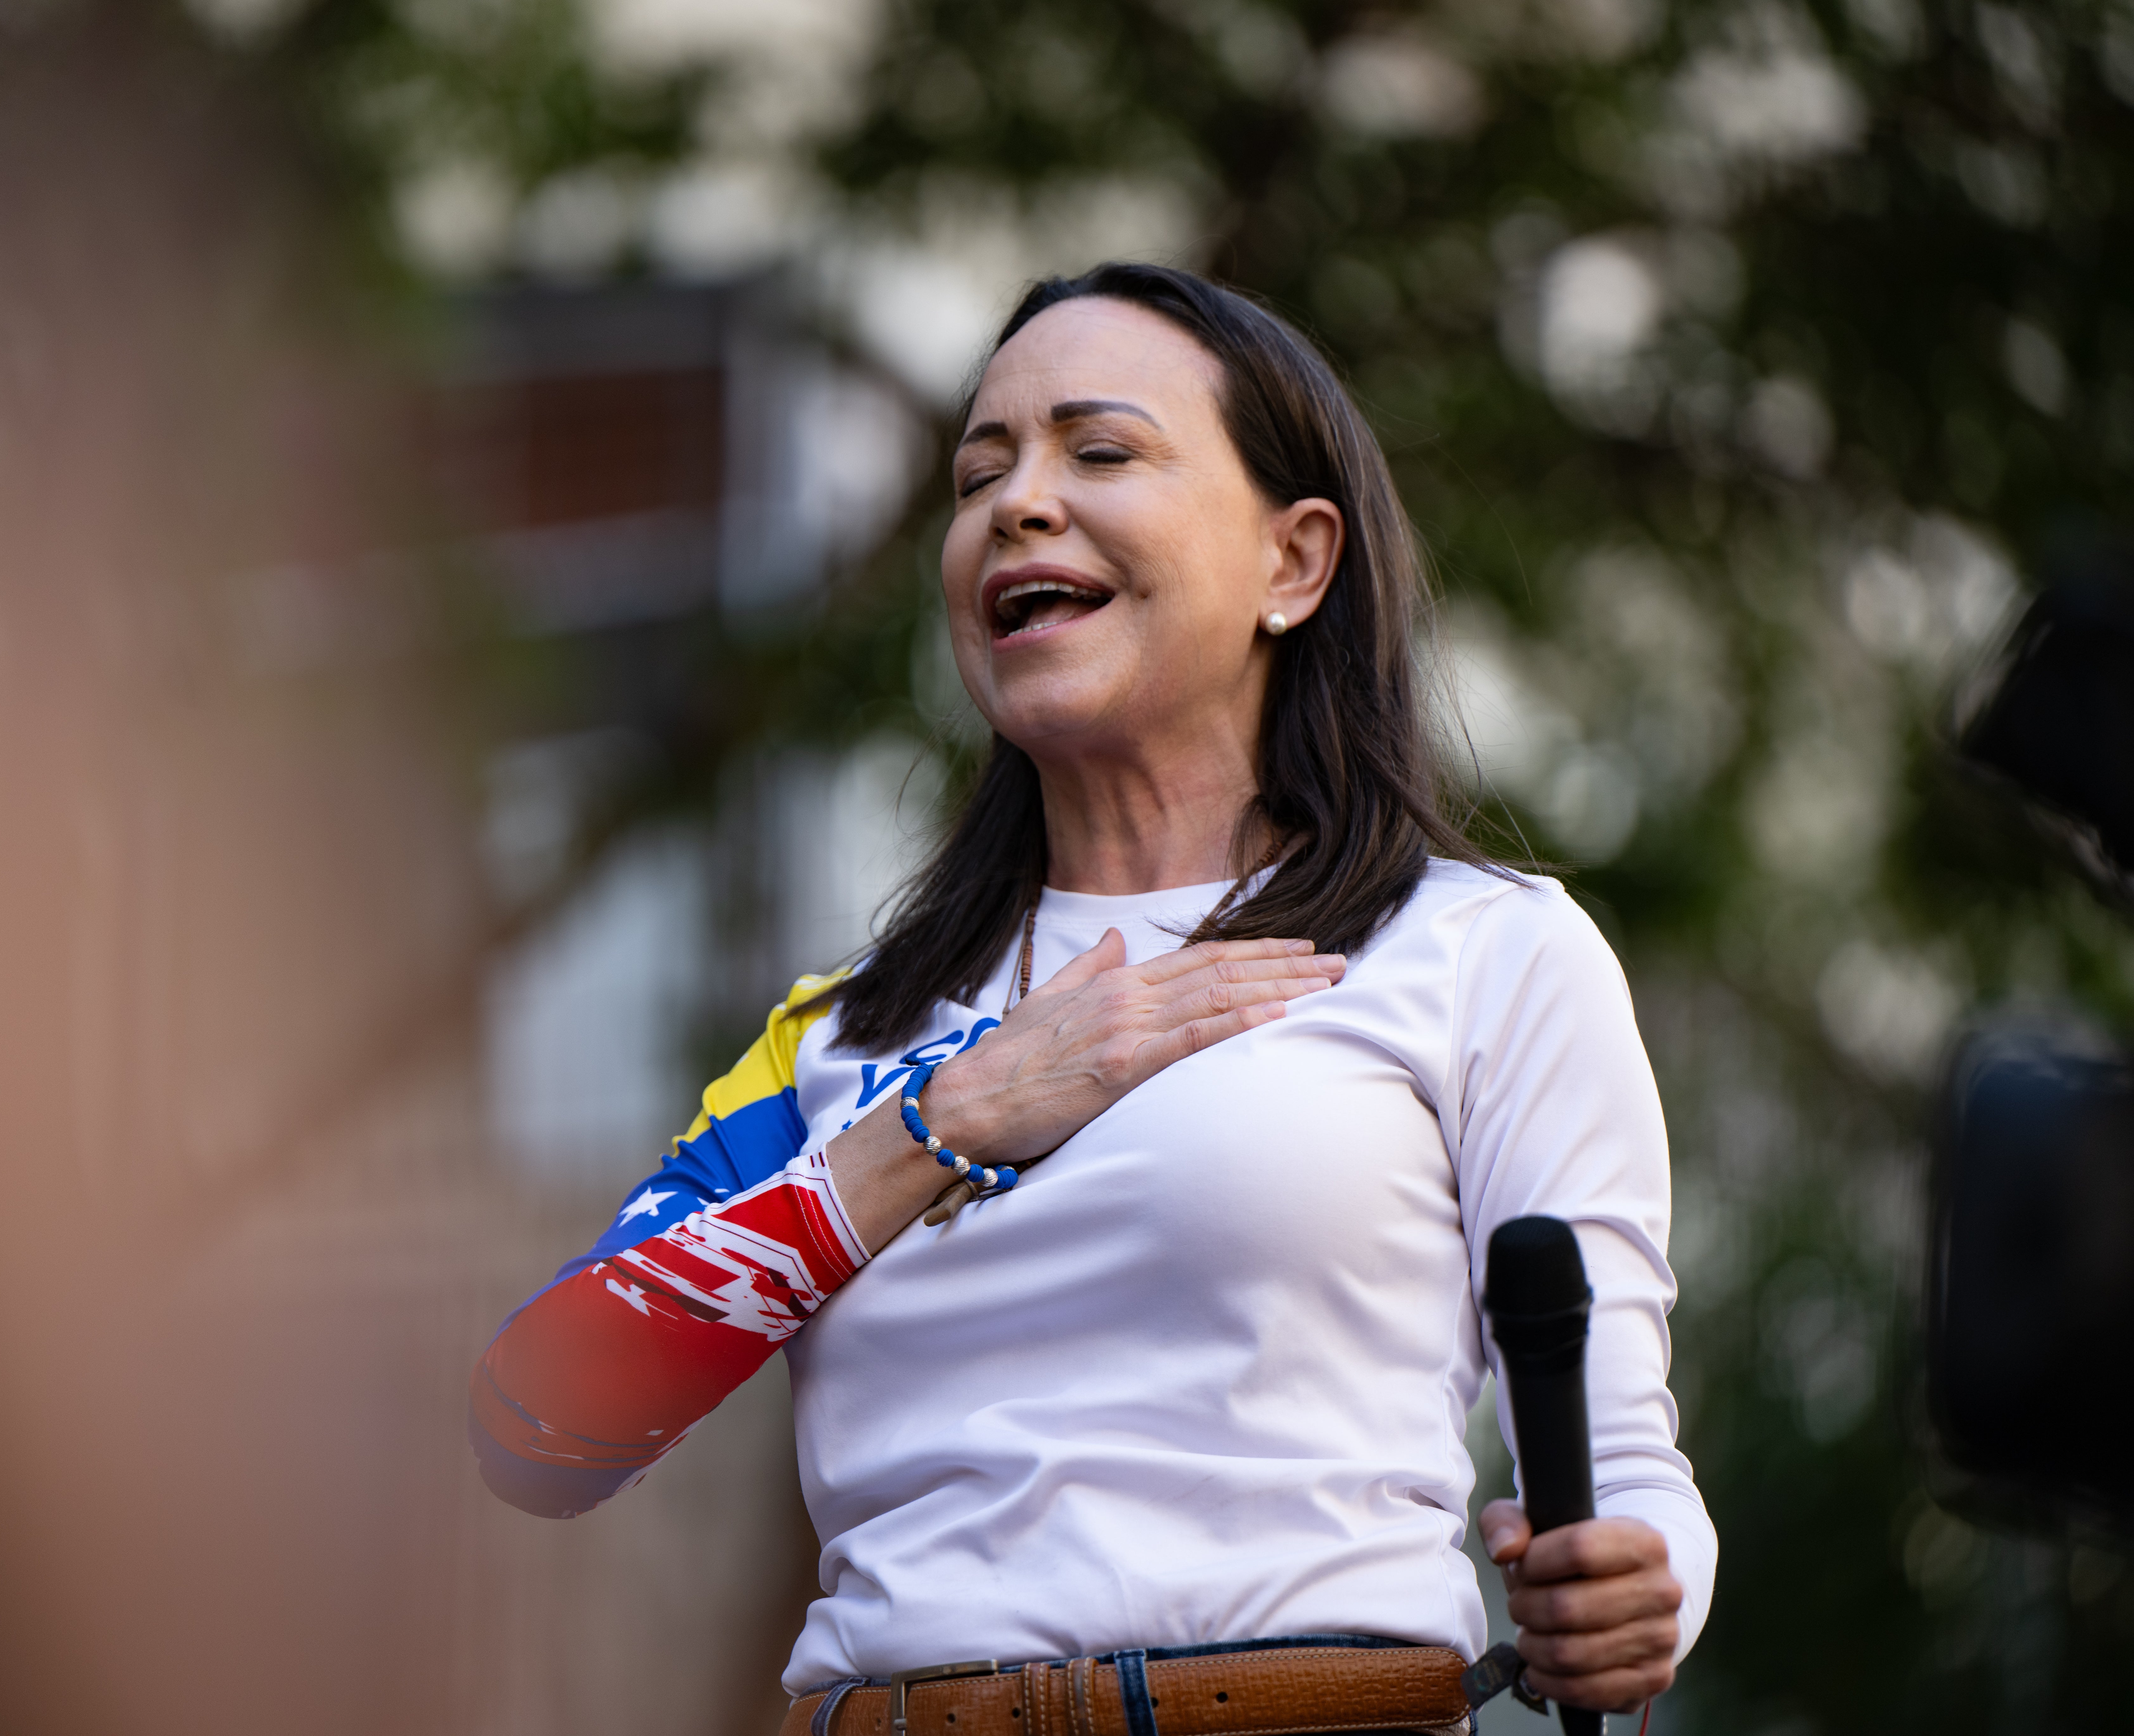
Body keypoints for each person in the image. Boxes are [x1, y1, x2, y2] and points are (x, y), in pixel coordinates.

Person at [469, 262, 1714, 1736]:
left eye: (1100, 450)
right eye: (979, 470)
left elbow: (1626, 1469)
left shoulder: (1483, 952)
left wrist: (1637, 1588)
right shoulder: (850, 1034)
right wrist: (940, 1121)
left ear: (1295, 563)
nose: (1018, 501)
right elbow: (539, 1421)